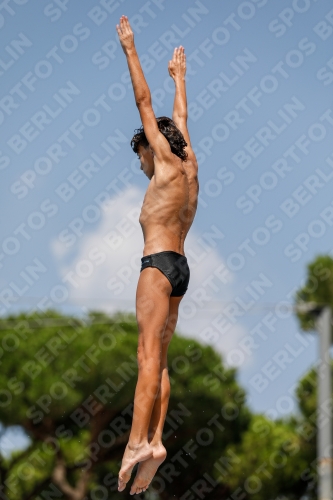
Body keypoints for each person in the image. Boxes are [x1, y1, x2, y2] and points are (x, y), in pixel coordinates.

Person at [116, 16, 198, 496]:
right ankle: (156, 441)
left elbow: (144, 103)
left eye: (141, 154)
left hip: (158, 266)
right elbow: (181, 120)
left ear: (154, 146)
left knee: (146, 356)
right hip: (183, 270)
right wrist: (181, 81)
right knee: (161, 358)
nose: (143, 164)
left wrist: (130, 49)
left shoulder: (164, 160)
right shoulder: (189, 164)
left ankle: (134, 444)